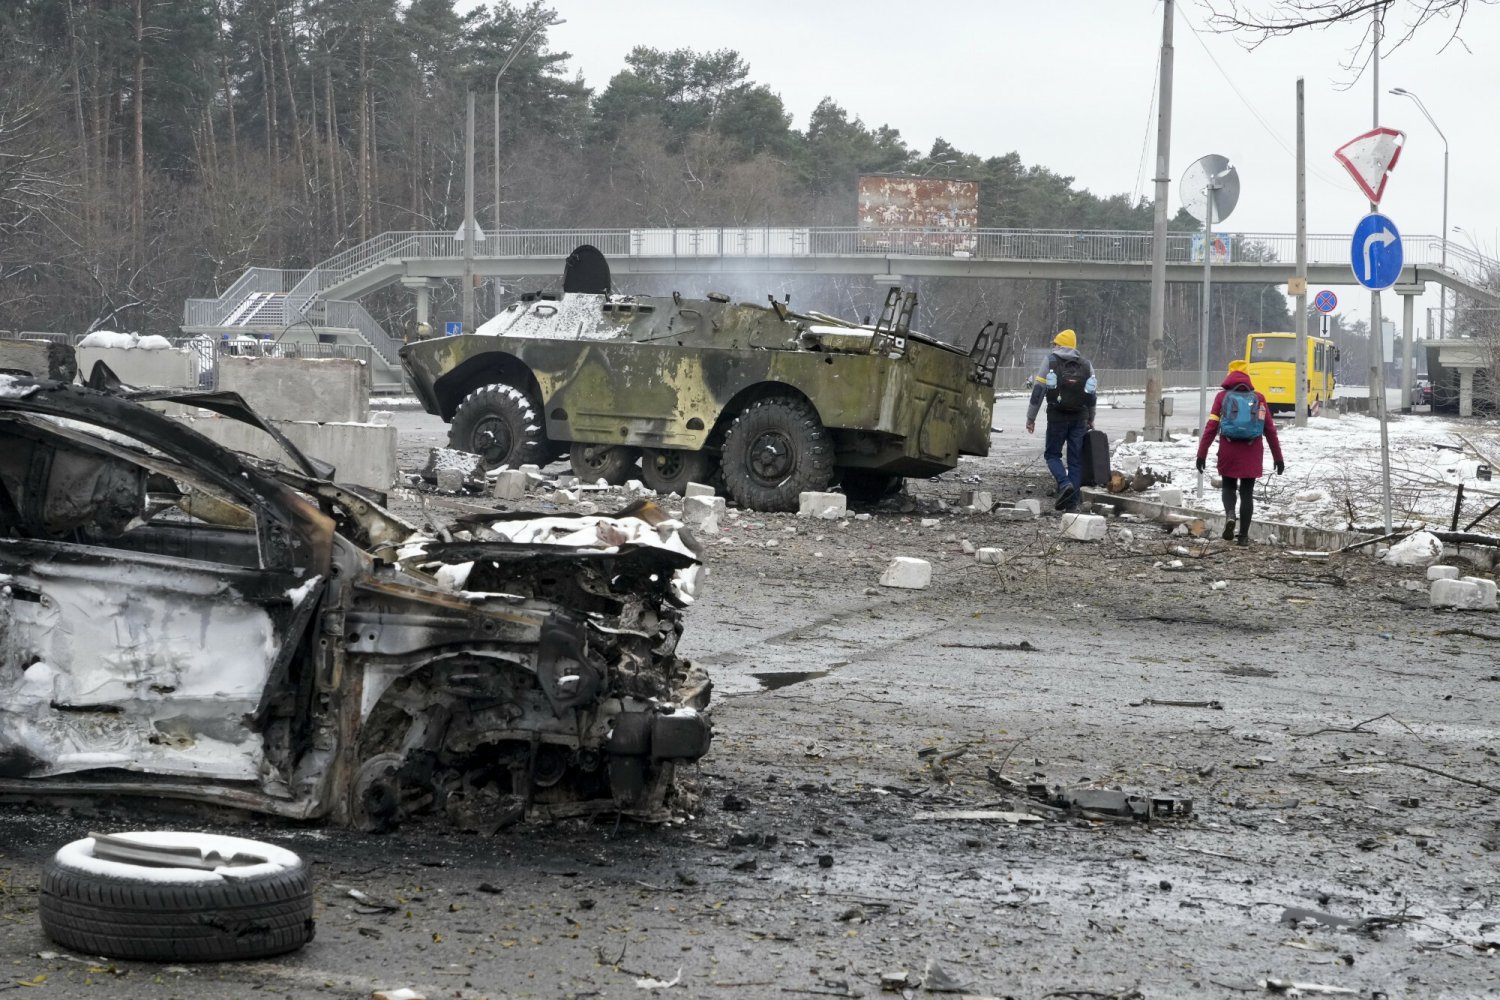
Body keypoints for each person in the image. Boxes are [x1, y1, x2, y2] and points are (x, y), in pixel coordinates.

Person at [1196, 360, 1285, 546]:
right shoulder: (1259, 398)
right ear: (1248, 377)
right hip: (1252, 451)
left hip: (1229, 449)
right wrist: (1278, 457)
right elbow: (1269, 429)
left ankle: (1230, 514)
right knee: (1247, 492)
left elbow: (1211, 427)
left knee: (1228, 486)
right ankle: (1243, 537)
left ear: (1229, 376)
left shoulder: (1222, 398)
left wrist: (1201, 453)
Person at [1026, 329, 1098, 511]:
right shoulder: (1086, 365)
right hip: (1079, 418)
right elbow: (1092, 394)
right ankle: (1072, 505)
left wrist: (1031, 417)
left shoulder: (1050, 361)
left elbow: (1038, 391)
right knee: (1075, 461)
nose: (1053, 346)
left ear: (1059, 345)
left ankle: (1064, 483)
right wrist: (1091, 417)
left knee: (1052, 455)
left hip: (1057, 417)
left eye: (1055, 343)